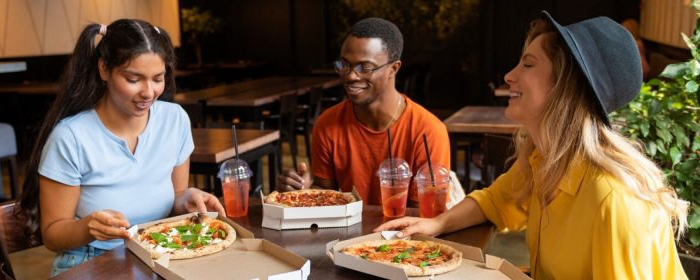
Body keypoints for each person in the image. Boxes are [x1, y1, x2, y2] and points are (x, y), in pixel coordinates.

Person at [376, 11, 689, 279]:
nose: (510, 76)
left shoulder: (613, 200)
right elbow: (495, 201)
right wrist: (436, 223)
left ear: (563, 86)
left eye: (527, 65)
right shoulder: (545, 160)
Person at [17, 19, 226, 276]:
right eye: (133, 79)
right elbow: (52, 234)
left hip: (158, 252)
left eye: (158, 79)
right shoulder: (70, 136)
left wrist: (188, 198)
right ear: (104, 69)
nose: (149, 92)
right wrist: (87, 228)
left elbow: (176, 197)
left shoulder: (175, 119)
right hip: (89, 260)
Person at [276, 17, 458, 206]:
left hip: (404, 233)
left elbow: (422, 214)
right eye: (344, 65)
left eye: (364, 68)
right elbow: (326, 190)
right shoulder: (327, 123)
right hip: (347, 232)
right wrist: (306, 191)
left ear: (393, 69)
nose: (351, 76)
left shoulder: (428, 131)